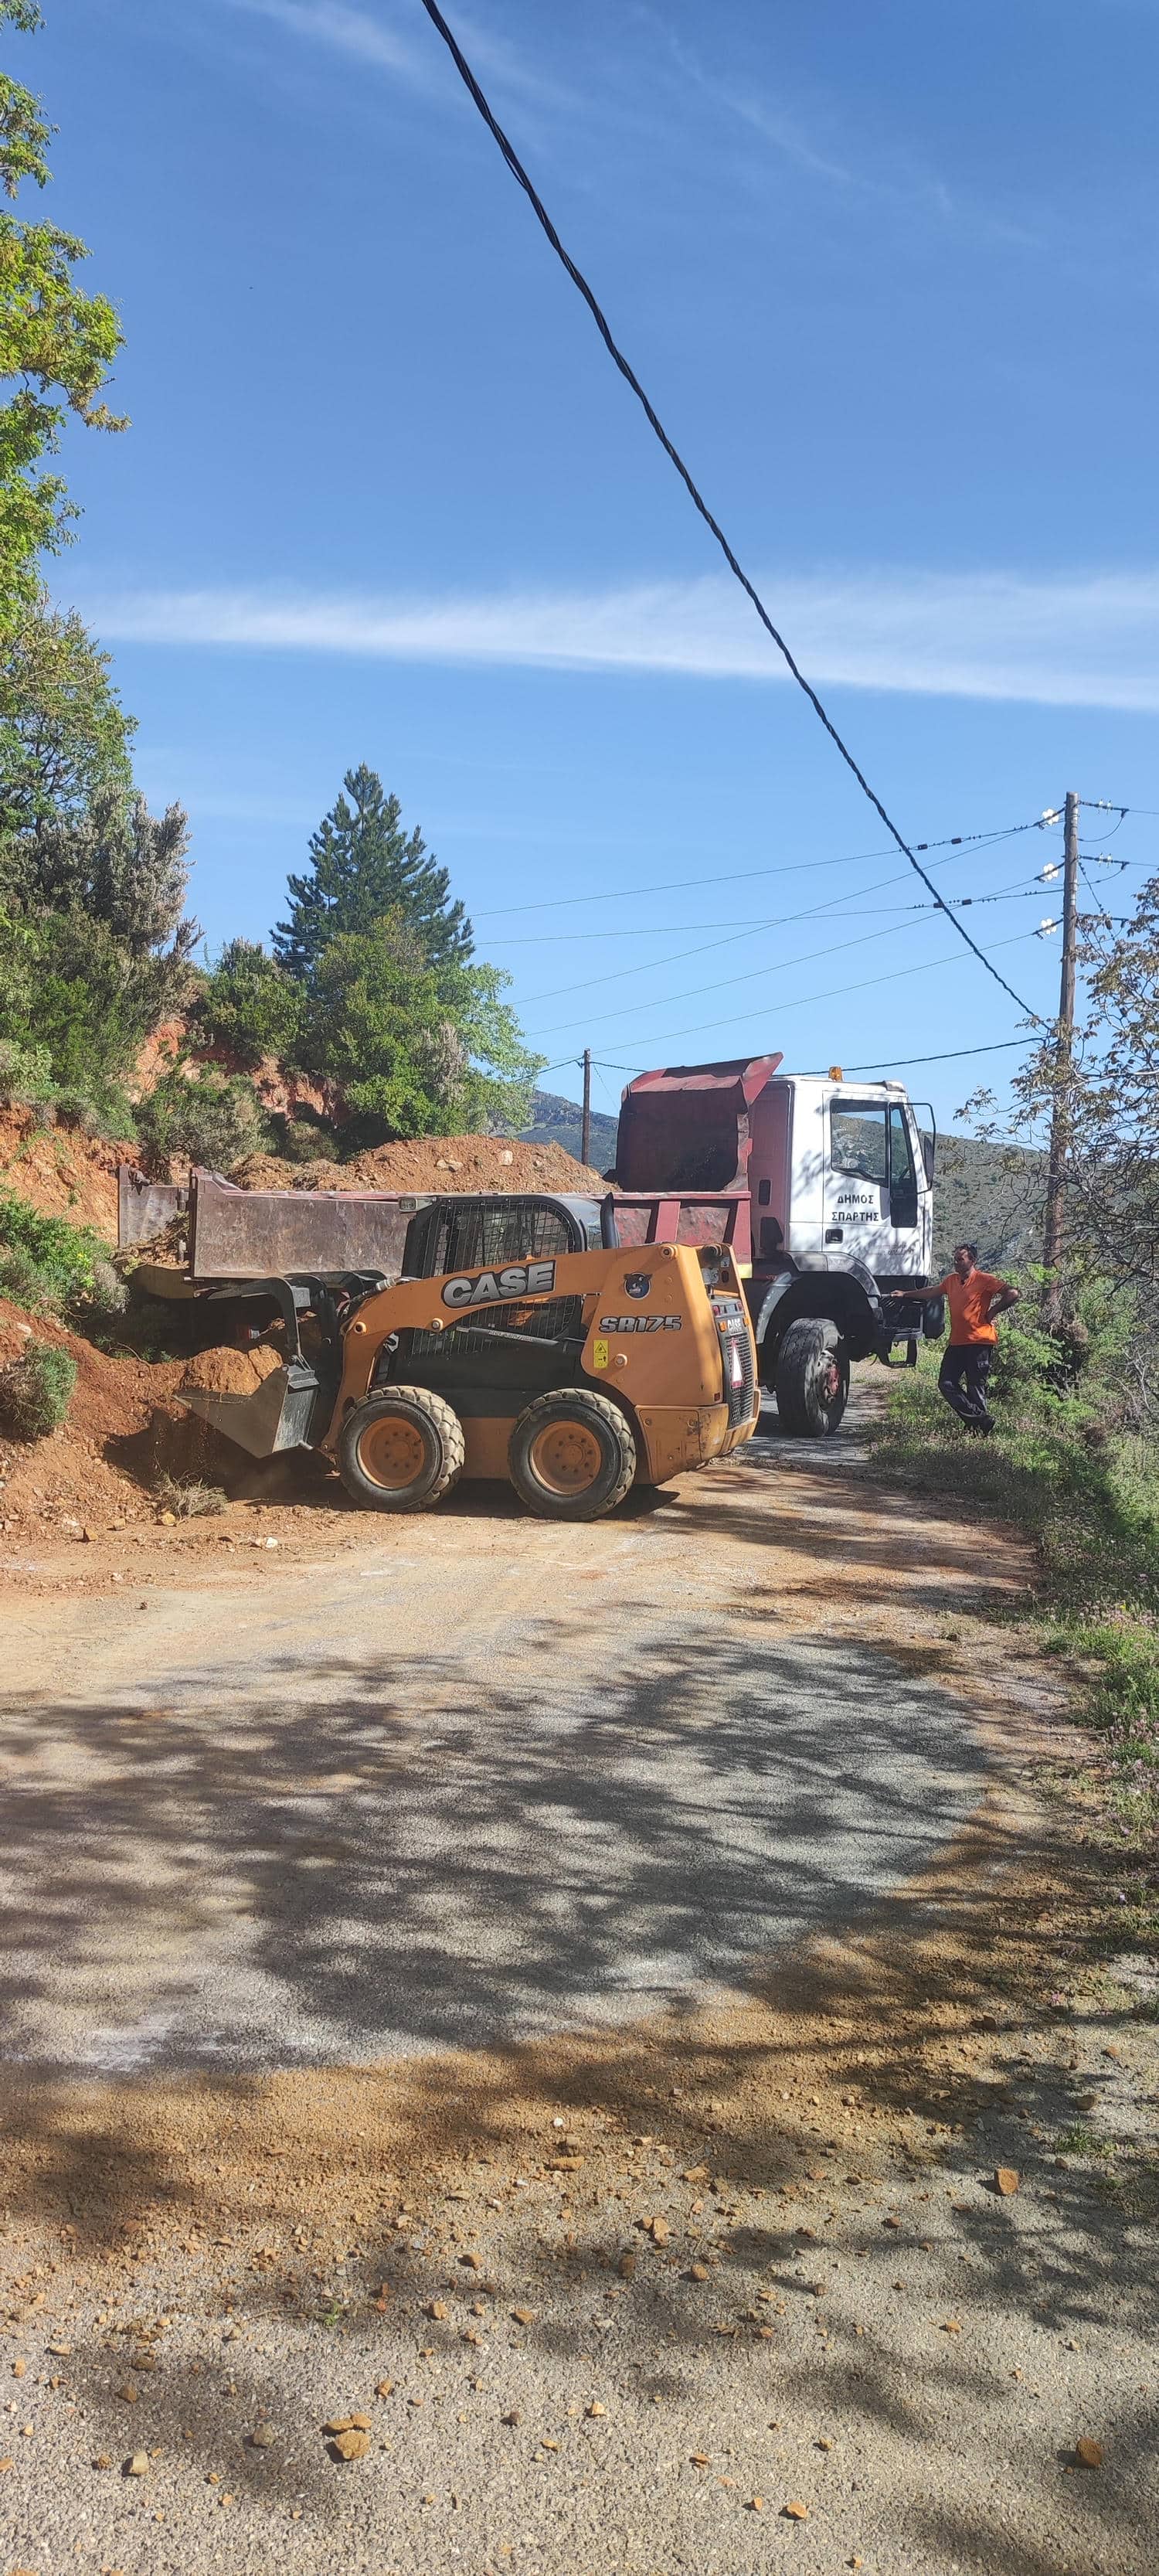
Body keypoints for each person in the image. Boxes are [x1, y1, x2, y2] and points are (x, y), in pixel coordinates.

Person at [936, 1243, 1020, 1434]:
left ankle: (978, 1430)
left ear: (972, 1260)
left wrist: (992, 1312)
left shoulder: (984, 1279)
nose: (956, 1263)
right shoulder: (951, 1281)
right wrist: (905, 1294)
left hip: (979, 1341)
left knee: (975, 1386)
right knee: (946, 1383)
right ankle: (981, 1420)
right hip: (957, 1342)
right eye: (955, 1259)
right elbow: (932, 1291)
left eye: (961, 1259)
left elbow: (1013, 1293)